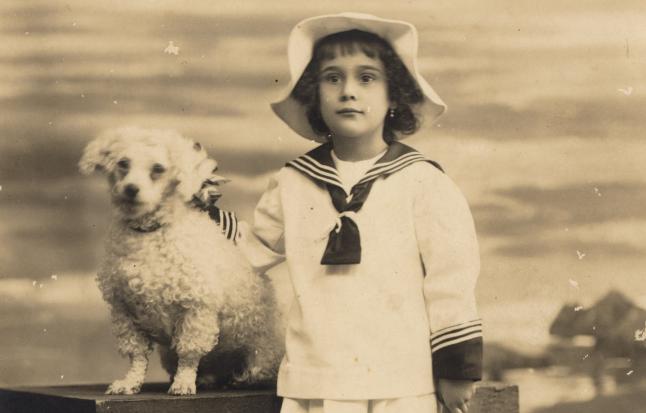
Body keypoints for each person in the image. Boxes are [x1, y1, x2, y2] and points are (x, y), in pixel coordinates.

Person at [235, 12, 482, 413]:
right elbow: (249, 253)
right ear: (314, 94)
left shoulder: (423, 181)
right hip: (315, 379)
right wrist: (192, 220)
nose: (348, 91)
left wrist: (457, 369)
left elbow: (451, 276)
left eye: (366, 78)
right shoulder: (292, 182)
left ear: (394, 96)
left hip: (400, 381)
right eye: (333, 78)